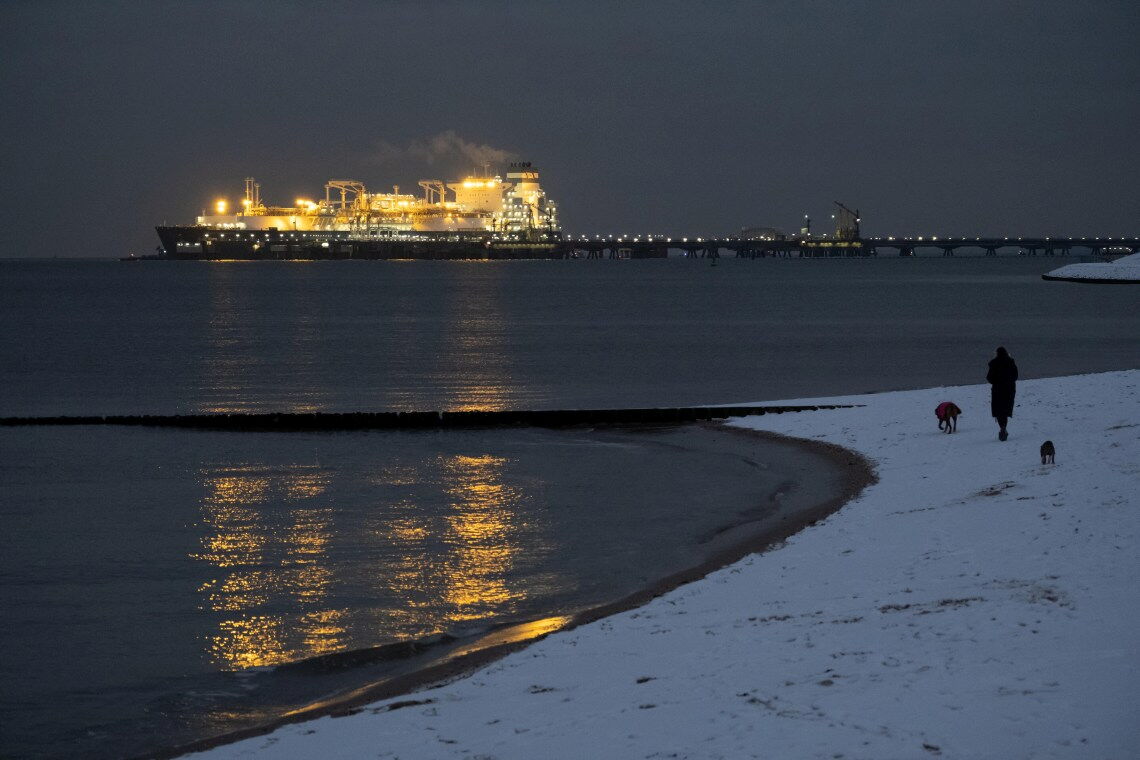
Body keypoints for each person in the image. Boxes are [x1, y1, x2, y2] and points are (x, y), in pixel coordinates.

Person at [986, 346, 1018, 441]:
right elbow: (1015, 376)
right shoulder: (1011, 362)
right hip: (1009, 389)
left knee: (999, 411)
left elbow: (989, 378)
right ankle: (1003, 428)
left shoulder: (994, 363)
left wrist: (996, 381)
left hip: (998, 390)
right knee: (1006, 409)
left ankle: (1002, 428)